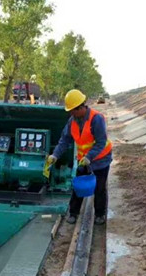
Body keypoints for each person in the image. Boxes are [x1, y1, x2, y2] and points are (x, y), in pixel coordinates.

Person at [46, 89, 112, 225]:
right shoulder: (72, 121)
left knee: (99, 188)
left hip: (101, 159)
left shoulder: (96, 119)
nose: (71, 113)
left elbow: (101, 142)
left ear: (81, 107)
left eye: (73, 110)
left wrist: (89, 157)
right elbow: (64, 140)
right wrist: (55, 155)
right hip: (84, 161)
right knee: (78, 186)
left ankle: (100, 215)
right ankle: (73, 213)